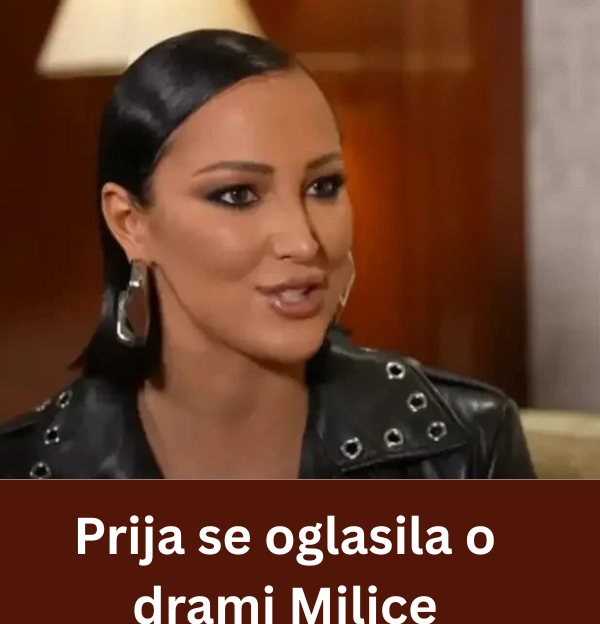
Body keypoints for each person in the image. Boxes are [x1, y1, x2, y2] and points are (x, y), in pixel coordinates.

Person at [0, 29, 535, 479]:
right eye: (237, 195)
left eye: (323, 186)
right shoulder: (24, 471)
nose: (303, 242)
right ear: (130, 222)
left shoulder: (467, 445)